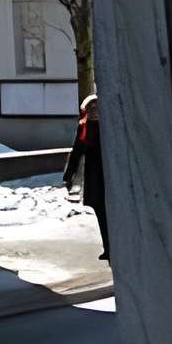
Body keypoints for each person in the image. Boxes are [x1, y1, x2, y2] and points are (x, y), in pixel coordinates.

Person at [65, 92, 108, 261]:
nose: (94, 110)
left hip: (107, 174)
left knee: (108, 210)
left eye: (97, 106)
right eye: (91, 107)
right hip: (94, 175)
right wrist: (69, 175)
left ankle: (113, 245)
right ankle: (108, 246)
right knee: (101, 211)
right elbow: (77, 152)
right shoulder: (84, 127)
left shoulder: (108, 125)